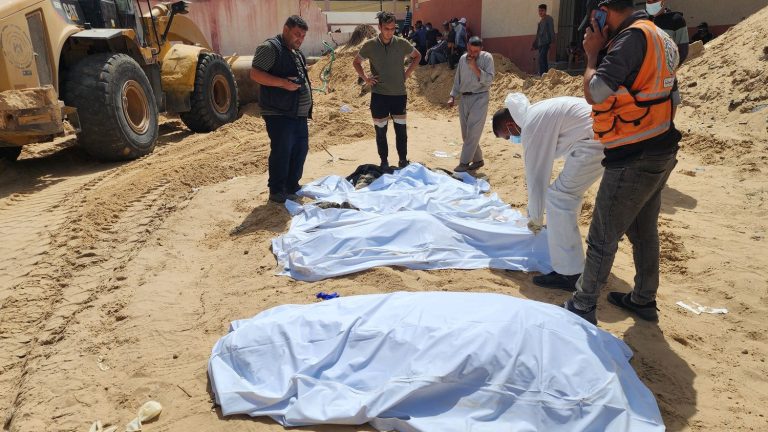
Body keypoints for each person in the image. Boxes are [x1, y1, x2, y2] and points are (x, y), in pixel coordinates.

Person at [564, 0, 682, 325]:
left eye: (596, 17)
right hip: (662, 146)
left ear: (606, 10)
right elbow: (670, 92)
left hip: (634, 153)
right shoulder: (660, 36)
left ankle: (584, 303)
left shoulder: (631, 38)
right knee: (643, 229)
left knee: (603, 232)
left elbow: (596, 93)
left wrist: (591, 54)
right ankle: (643, 298)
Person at [492, 94, 604, 290]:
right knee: (565, 197)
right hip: (602, 134)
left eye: (508, 136)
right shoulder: (536, 112)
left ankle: (570, 274)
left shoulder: (531, 126)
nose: (511, 140)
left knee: (558, 198)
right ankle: (568, 251)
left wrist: (535, 220)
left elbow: (536, 178)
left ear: (510, 125)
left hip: (596, 141)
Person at [250, 15, 313, 204]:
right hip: (278, 112)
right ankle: (277, 191)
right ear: (285, 29)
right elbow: (255, 74)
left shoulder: (295, 52)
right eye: (296, 34)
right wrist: (283, 83)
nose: (300, 39)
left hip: (298, 114)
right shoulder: (270, 48)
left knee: (300, 149)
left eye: (303, 36)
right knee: (282, 151)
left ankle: (292, 185)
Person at [353, 11, 421, 170]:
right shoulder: (369, 45)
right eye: (386, 28)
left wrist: (406, 74)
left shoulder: (402, 43)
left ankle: (403, 161)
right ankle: (384, 162)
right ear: (379, 27)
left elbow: (417, 56)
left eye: (392, 28)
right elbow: (356, 62)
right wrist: (366, 78)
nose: (390, 32)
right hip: (379, 96)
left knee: (401, 132)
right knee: (381, 132)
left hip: (399, 95)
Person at [446, 37, 495, 173]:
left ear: (481, 49)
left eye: (476, 51)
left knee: (473, 132)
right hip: (464, 99)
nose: (472, 54)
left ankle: (464, 163)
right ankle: (478, 159)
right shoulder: (462, 59)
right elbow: (458, 80)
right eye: (470, 50)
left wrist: (474, 67)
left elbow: (489, 80)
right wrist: (452, 96)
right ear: (467, 46)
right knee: (466, 134)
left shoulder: (487, 58)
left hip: (480, 98)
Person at [646, 0, 689, 64]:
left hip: (667, 71)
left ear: (662, 2)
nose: (651, 3)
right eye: (649, 1)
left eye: (655, 0)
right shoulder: (645, 21)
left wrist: (668, 69)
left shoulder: (676, 20)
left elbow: (683, 50)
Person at [532, 4, 556, 75]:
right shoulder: (540, 22)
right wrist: (534, 44)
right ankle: (546, 74)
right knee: (544, 59)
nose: (540, 12)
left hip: (546, 42)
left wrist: (552, 40)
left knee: (541, 59)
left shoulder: (549, 19)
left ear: (545, 11)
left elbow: (551, 30)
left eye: (542, 11)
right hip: (540, 43)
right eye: (539, 11)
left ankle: (542, 74)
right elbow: (538, 34)